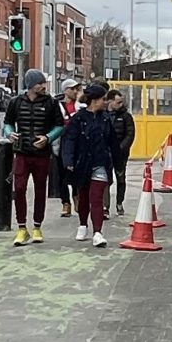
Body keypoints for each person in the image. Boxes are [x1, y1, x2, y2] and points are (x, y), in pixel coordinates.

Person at [1, 69, 64, 246]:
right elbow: (7, 123)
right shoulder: (16, 102)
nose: (43, 86)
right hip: (21, 152)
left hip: (42, 154)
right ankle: (22, 228)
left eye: (44, 83)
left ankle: (37, 226)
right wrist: (9, 133)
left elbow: (60, 125)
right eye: (40, 83)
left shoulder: (51, 103)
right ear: (30, 85)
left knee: (40, 190)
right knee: (19, 188)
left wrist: (48, 138)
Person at [61, 81, 117, 247]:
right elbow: (69, 139)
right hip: (82, 164)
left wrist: (118, 163)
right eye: (103, 99)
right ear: (94, 100)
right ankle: (83, 224)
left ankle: (98, 232)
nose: (106, 102)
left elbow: (112, 142)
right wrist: (69, 160)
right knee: (83, 197)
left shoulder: (106, 119)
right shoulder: (78, 119)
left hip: (100, 163)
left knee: (96, 197)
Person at [51, 81, 82, 217]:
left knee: (75, 172)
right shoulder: (57, 106)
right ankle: (65, 202)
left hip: (77, 143)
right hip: (61, 142)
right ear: (65, 90)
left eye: (77, 89)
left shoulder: (80, 105)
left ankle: (77, 197)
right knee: (61, 174)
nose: (76, 91)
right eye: (73, 89)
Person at [105, 89, 135, 212]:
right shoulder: (104, 115)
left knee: (121, 178)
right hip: (106, 153)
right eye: (118, 102)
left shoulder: (126, 116)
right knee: (105, 180)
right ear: (110, 101)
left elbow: (130, 134)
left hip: (121, 154)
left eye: (121, 102)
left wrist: (121, 148)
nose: (120, 105)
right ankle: (105, 206)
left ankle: (119, 203)